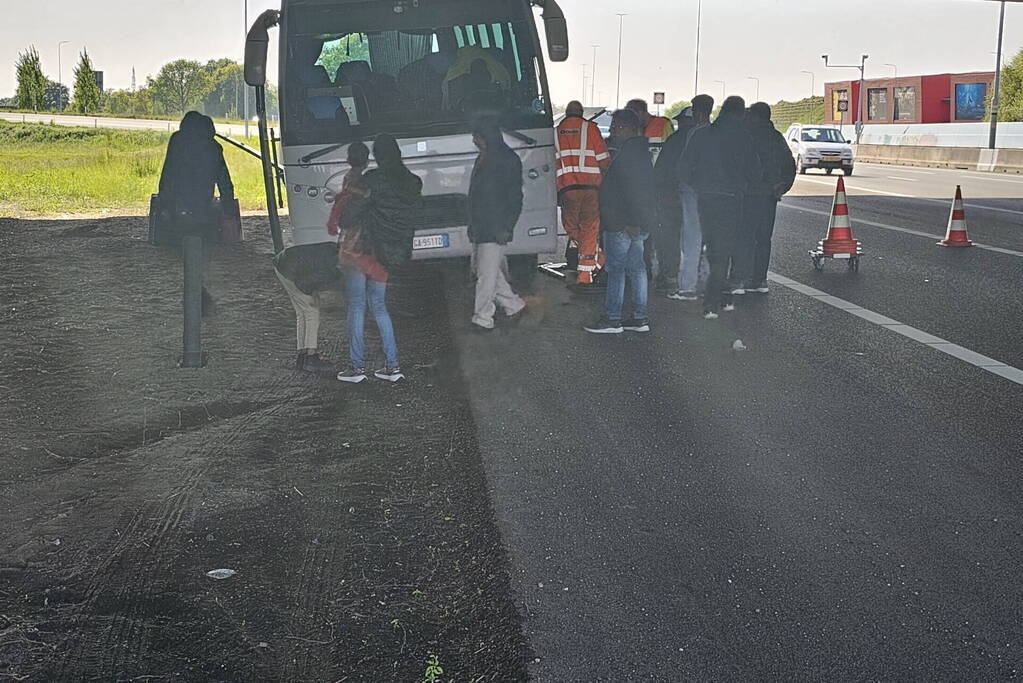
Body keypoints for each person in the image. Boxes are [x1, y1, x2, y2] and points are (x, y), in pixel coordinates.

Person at [337, 134, 423, 383]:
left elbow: (347, 218)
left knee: (356, 306)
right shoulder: (412, 183)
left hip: (362, 251)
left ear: (377, 155)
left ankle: (356, 368)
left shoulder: (372, 181)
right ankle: (392, 367)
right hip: (387, 255)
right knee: (380, 307)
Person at [677, 95, 762, 319]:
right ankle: (714, 301)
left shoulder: (702, 134)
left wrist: (698, 185)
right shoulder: (745, 138)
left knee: (710, 245)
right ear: (741, 113)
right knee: (723, 250)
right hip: (732, 198)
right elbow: (755, 173)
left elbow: (684, 169)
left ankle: (719, 296)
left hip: (705, 197)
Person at [584, 109, 657, 334]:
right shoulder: (640, 153)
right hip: (636, 223)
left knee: (616, 270)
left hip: (622, 224)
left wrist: (628, 222)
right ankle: (639, 317)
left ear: (628, 128)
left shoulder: (629, 156)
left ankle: (612, 318)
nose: (613, 131)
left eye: (616, 127)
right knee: (637, 270)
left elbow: (631, 192)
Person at [157, 111, 236, 313]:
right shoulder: (214, 147)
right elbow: (224, 181)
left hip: (180, 208)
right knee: (203, 254)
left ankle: (193, 294)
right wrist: (228, 209)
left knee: (184, 255)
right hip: (204, 209)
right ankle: (200, 293)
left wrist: (164, 206)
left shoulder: (178, 143)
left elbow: (168, 174)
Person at [467, 118, 527, 332]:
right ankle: (514, 305)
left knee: (485, 274)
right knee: (490, 272)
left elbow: (514, 198)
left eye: (477, 136)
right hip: (484, 225)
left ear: (486, 137)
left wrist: (507, 226)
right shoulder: (485, 158)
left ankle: (483, 318)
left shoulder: (506, 160)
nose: (474, 140)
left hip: (496, 226)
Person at [732, 102, 796, 294]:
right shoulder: (776, 137)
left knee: (744, 236)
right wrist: (782, 186)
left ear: (756, 117)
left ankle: (739, 279)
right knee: (763, 239)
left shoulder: (746, 137)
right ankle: (759, 279)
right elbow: (789, 165)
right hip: (769, 196)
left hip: (748, 195)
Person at [555, 100, 610, 286]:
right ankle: (596, 260)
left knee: (571, 227)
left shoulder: (555, 132)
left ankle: (590, 266)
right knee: (589, 226)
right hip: (591, 188)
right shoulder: (590, 129)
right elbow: (603, 160)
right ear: (581, 113)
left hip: (567, 189)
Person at [273, 243, 344, 374]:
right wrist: (315, 296)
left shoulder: (334, 248)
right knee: (312, 312)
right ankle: (311, 357)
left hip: (283, 263)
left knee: (302, 312)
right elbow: (304, 283)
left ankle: (302, 355)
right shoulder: (333, 268)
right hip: (290, 271)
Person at [669, 94, 713, 302]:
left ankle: (687, 287)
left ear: (698, 112)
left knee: (691, 239)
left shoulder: (695, 133)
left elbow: (684, 164)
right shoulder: (717, 132)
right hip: (714, 193)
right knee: (710, 239)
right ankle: (709, 282)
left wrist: (682, 182)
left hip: (692, 192)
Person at [651, 106, 696, 292]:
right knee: (695, 238)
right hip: (701, 199)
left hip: (672, 197)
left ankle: (670, 276)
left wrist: (658, 191)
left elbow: (662, 168)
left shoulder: (676, 140)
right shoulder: (709, 138)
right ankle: (693, 281)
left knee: (669, 236)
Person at [625, 98, 675, 163]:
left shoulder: (662, 124)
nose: (630, 120)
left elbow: (671, 150)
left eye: (631, 116)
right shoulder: (638, 128)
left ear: (640, 112)